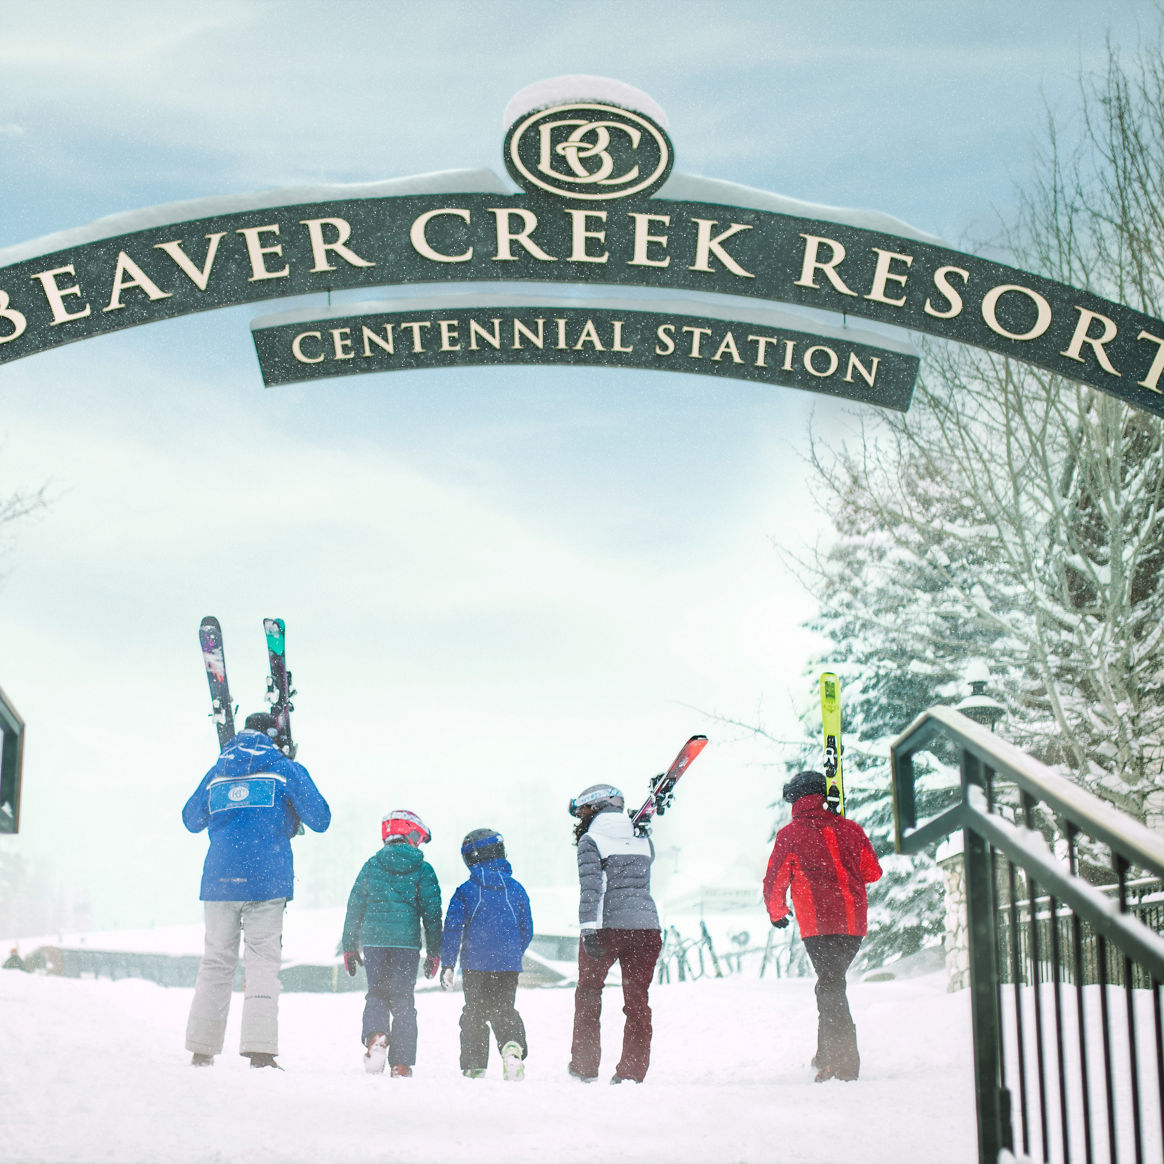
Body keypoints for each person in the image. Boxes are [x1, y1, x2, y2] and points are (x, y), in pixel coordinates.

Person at [182, 711, 331, 1070]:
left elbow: (191, 819)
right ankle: (260, 1052)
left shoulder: (217, 770)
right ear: (275, 736)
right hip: (267, 879)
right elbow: (321, 818)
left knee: (216, 962)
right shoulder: (283, 768)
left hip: (219, 880)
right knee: (262, 962)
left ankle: (201, 1049)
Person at [763, 770, 883, 1083]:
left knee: (831, 986)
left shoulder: (790, 835)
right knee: (830, 982)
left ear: (794, 800)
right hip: (853, 924)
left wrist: (778, 912)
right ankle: (824, 1055)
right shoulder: (851, 829)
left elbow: (775, 880)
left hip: (818, 925)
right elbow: (873, 872)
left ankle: (842, 1065)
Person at [567, 783, 663, 1085]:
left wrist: (588, 930)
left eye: (581, 811)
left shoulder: (591, 840)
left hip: (606, 928)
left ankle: (584, 1066)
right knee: (637, 1002)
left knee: (588, 993)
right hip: (647, 928)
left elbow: (592, 889)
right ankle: (631, 1072)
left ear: (593, 808)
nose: (579, 819)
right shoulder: (644, 839)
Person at [342, 809, 442, 1077]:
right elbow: (432, 915)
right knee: (402, 1001)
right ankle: (401, 1065)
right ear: (411, 833)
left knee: (376, 993)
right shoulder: (423, 870)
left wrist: (350, 945)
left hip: (374, 943)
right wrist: (434, 951)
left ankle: (375, 1038)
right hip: (406, 946)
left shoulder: (371, 865)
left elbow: (355, 907)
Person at [439, 828, 533, 1081]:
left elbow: (452, 929)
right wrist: (513, 953)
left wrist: (447, 963)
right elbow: (527, 929)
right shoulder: (516, 889)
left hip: (475, 966)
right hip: (508, 966)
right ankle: (512, 1048)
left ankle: (474, 1066)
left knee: (475, 1013)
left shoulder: (465, 891)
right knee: (504, 1009)